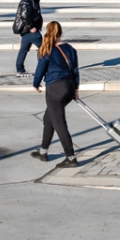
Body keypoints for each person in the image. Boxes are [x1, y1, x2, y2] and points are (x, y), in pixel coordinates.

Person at [31, 21, 80, 167]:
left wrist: (36, 84)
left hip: (55, 88)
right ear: (60, 32)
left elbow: (40, 70)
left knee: (59, 123)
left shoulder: (46, 48)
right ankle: (43, 151)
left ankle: (71, 158)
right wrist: (76, 90)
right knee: (48, 118)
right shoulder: (70, 49)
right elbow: (75, 70)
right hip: (69, 87)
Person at [14, 0, 44, 77]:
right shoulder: (27, 1)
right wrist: (31, 27)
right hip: (30, 30)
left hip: (26, 31)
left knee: (23, 50)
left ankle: (20, 70)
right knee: (44, 48)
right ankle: (43, 69)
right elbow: (24, 16)